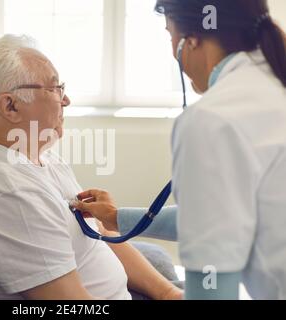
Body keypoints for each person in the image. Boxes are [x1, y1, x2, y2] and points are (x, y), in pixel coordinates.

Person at [0, 35, 183, 300]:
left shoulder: (39, 157)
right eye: (55, 89)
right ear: (10, 106)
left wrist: (169, 294)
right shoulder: (6, 192)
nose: (66, 100)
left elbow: (101, 235)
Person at [71, 0, 286, 300]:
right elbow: (213, 215)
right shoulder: (271, 86)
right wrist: (117, 218)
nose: (174, 53)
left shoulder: (212, 118)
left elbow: (212, 285)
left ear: (191, 39)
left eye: (170, 35)